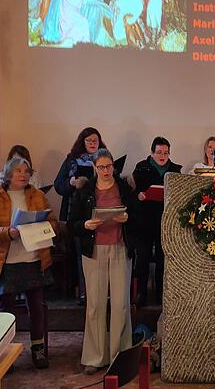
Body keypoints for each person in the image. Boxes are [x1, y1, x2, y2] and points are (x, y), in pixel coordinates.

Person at [0, 158, 57, 369]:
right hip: (6, 262)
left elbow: (53, 222)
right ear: (8, 174)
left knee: (37, 306)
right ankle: (5, 352)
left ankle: (38, 349)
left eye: (26, 171)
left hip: (33, 258)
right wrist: (8, 232)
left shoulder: (37, 195)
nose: (23, 174)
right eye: (18, 171)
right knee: (6, 308)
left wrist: (43, 227)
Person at [68, 149, 135, 375]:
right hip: (94, 250)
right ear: (95, 169)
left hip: (119, 247)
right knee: (95, 305)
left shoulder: (124, 188)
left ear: (113, 167)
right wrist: (85, 225)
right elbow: (72, 223)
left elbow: (137, 215)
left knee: (120, 304)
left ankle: (119, 356)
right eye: (101, 167)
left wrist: (128, 219)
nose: (106, 171)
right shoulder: (85, 190)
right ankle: (94, 357)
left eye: (109, 166)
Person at [55, 127, 107, 304]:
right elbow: (58, 185)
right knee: (80, 254)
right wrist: (70, 183)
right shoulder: (71, 160)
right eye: (89, 140)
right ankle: (83, 292)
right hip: (76, 213)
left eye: (95, 141)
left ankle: (100, 292)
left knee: (99, 253)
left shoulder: (104, 159)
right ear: (82, 142)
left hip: (99, 212)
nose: (93, 144)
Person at [132, 137, 182, 306]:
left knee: (164, 258)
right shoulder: (141, 168)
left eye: (166, 152)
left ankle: (162, 295)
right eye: (159, 152)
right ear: (152, 153)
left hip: (165, 221)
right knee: (143, 257)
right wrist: (139, 195)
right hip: (144, 220)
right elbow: (133, 193)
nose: (162, 156)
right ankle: (141, 294)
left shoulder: (175, 170)